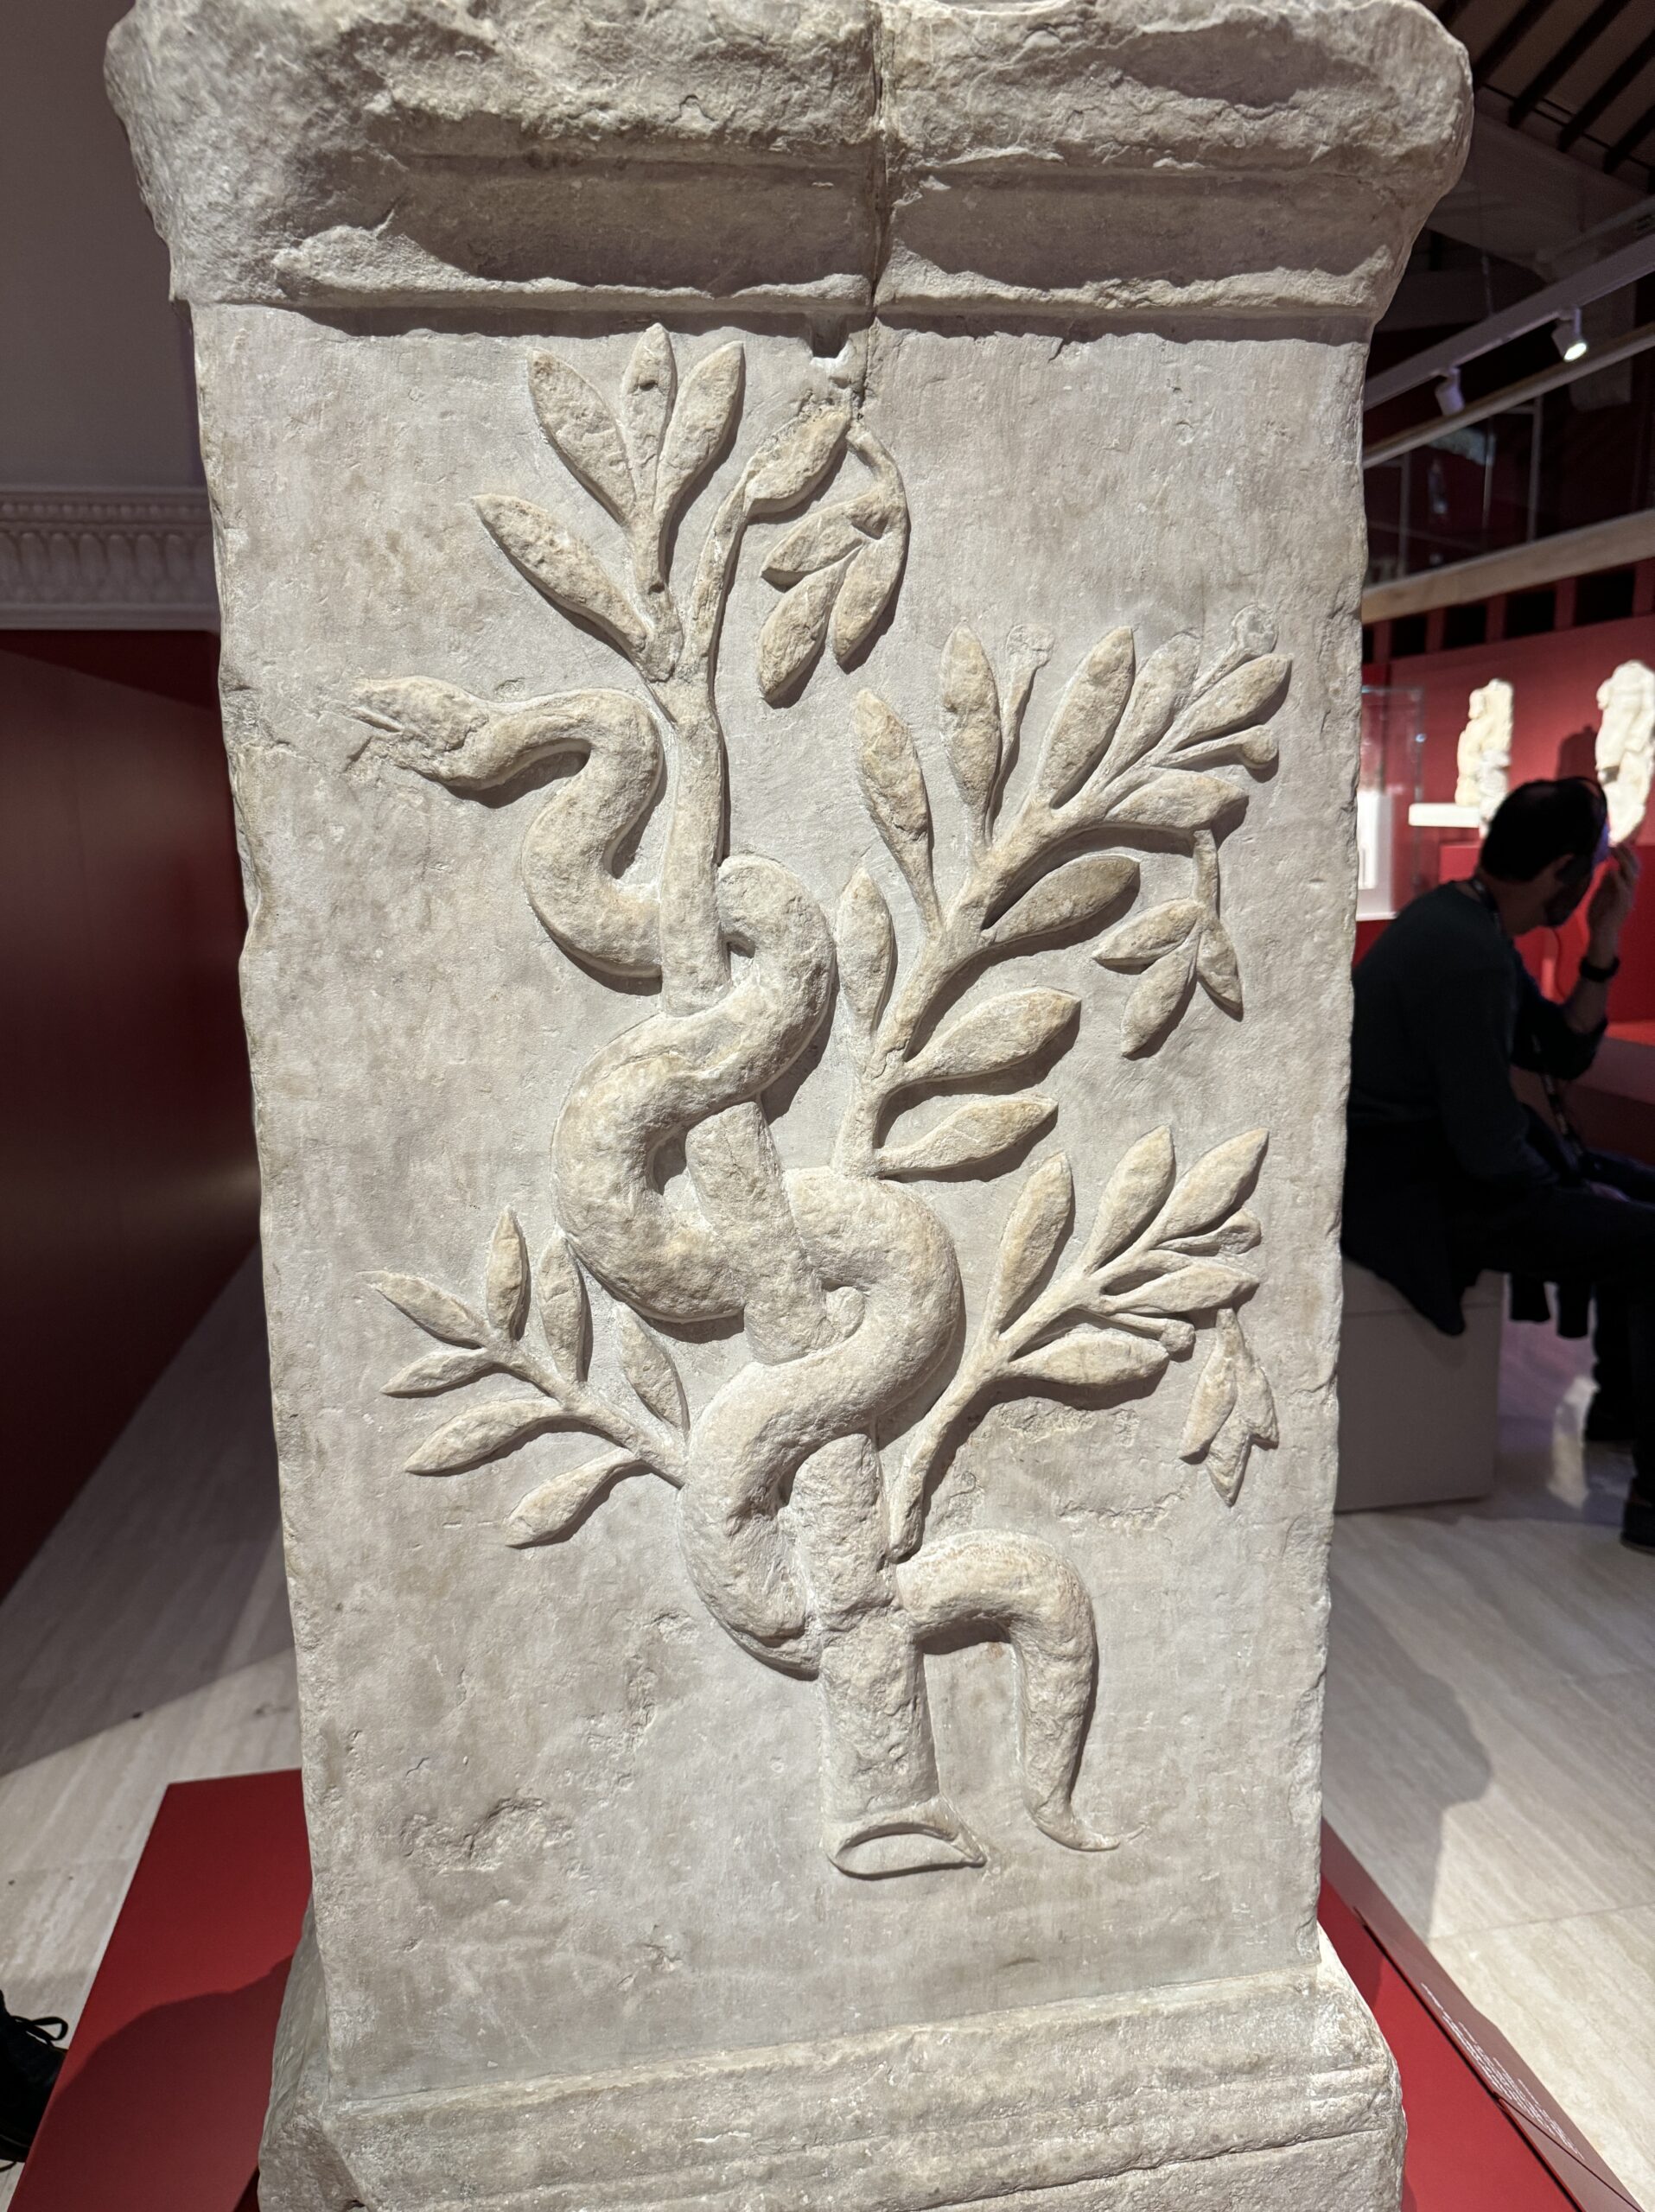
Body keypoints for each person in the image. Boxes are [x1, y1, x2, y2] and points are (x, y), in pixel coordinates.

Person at [1343, 777, 1653, 1551]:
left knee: (1636, 1198)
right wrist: (1578, 1193)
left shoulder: (1465, 920)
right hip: (1417, 1192)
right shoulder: (1468, 952)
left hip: (1433, 1166)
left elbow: (1558, 1050)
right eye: (1589, 870)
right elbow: (1488, 1151)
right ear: (1561, 873)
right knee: (1643, 1237)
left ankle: (1621, 1409)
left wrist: (1602, 941)